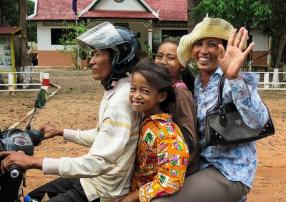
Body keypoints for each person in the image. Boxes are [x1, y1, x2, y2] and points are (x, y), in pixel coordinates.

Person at [0, 22, 142, 202]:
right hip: (92, 179)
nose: (91, 61)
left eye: (97, 54)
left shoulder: (120, 102)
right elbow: (102, 136)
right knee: (33, 197)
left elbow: (99, 162)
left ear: (119, 57)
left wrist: (32, 162)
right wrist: (61, 132)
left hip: (102, 190)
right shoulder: (118, 88)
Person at [153, 17, 269, 202]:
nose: (203, 50)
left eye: (212, 44)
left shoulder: (231, 79)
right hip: (201, 165)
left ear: (224, 49)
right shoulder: (197, 82)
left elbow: (258, 121)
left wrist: (234, 78)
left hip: (229, 171)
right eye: (198, 44)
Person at [120, 58, 190, 202]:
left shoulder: (167, 134)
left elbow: (171, 180)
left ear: (161, 96)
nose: (136, 96)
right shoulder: (141, 119)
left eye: (144, 91)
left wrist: (131, 198)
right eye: (133, 89)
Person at [154, 38, 199, 176]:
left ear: (182, 65)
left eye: (171, 57)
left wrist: (172, 171)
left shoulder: (179, 94)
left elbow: (189, 141)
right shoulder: (161, 89)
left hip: (178, 169)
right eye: (159, 56)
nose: (163, 61)